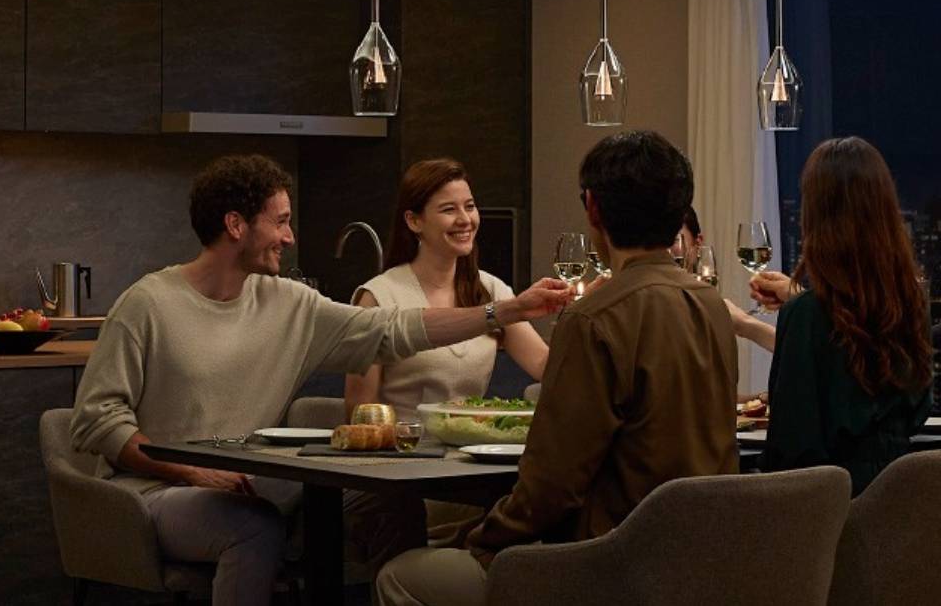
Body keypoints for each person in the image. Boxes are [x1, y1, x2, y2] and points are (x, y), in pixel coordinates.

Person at [68, 155, 572, 606]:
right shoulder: (148, 303)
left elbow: (392, 329)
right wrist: (194, 474)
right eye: (281, 222)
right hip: (153, 494)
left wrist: (506, 310)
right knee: (252, 526)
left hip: (256, 484)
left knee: (390, 502)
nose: (290, 237)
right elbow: (97, 421)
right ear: (236, 225)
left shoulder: (287, 302)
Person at [375, 130, 739, 606]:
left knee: (401, 575)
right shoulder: (711, 303)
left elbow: (552, 487)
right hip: (701, 556)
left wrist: (484, 540)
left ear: (593, 210)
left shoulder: (594, 318)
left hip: (607, 562)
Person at [744, 137, 933, 495]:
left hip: (828, 516)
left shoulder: (805, 316)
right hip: (897, 509)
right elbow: (916, 408)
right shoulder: (912, 305)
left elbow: (791, 449)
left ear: (816, 216)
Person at [349, 158, 549, 423]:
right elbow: (359, 410)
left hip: (472, 452)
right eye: (448, 210)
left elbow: (545, 366)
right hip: (403, 454)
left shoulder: (492, 289)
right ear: (413, 221)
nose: (465, 220)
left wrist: (586, 310)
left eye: (470, 206)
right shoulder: (377, 297)